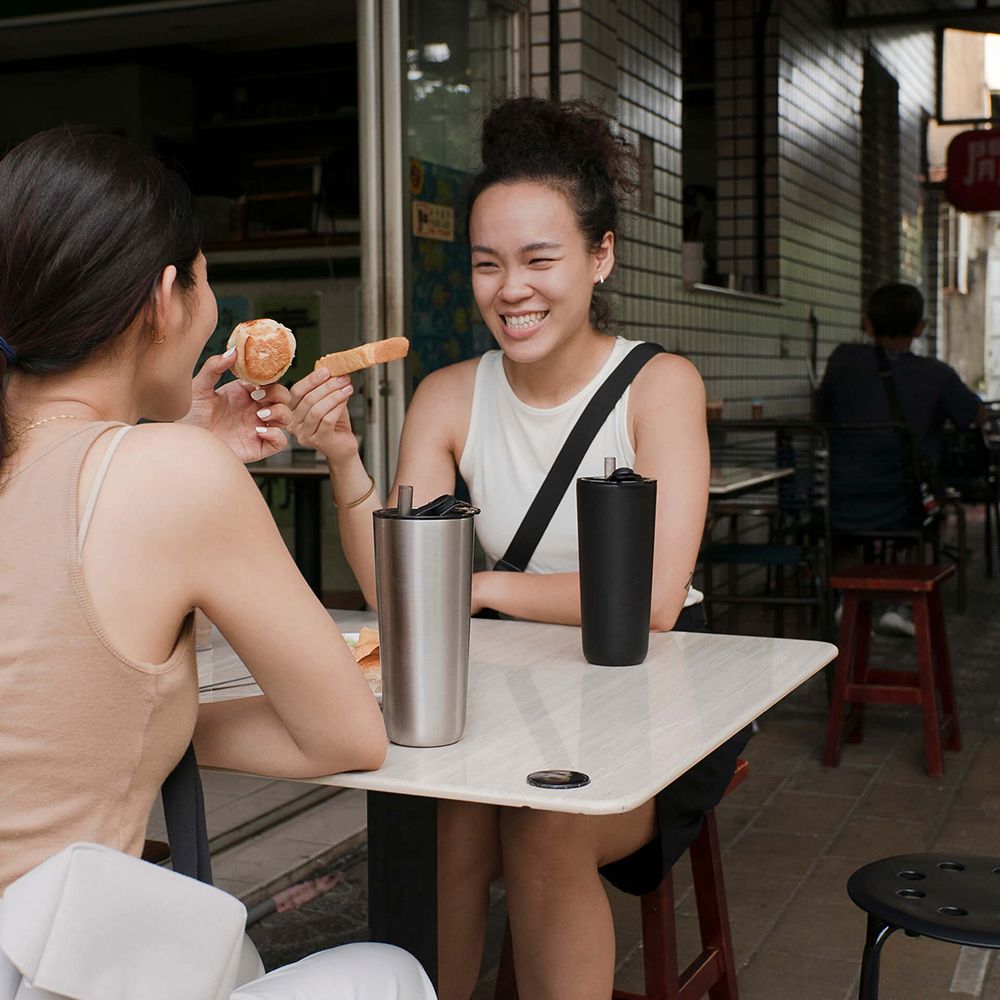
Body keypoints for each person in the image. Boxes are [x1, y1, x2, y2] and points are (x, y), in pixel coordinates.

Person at [284, 97, 750, 1000]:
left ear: (600, 254)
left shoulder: (660, 386)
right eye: (488, 264)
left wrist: (483, 588)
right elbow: (399, 593)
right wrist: (342, 457)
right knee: (449, 817)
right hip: (520, 692)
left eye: (541, 259)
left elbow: (652, 599)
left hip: (654, 690)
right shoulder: (448, 395)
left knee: (547, 822)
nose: (512, 289)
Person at [0, 125, 434, 999]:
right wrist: (180, 456)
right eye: (203, 279)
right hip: (40, 966)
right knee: (389, 975)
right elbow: (346, 734)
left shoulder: (111, 460)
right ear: (163, 296)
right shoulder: (171, 475)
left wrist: (174, 443)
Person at [820, 282, 986, 635]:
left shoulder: (842, 360)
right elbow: (973, 416)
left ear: (867, 322)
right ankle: (901, 605)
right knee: (927, 513)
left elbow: (821, 411)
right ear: (919, 328)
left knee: (848, 522)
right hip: (903, 503)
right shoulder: (937, 374)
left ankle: (845, 600)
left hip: (838, 498)